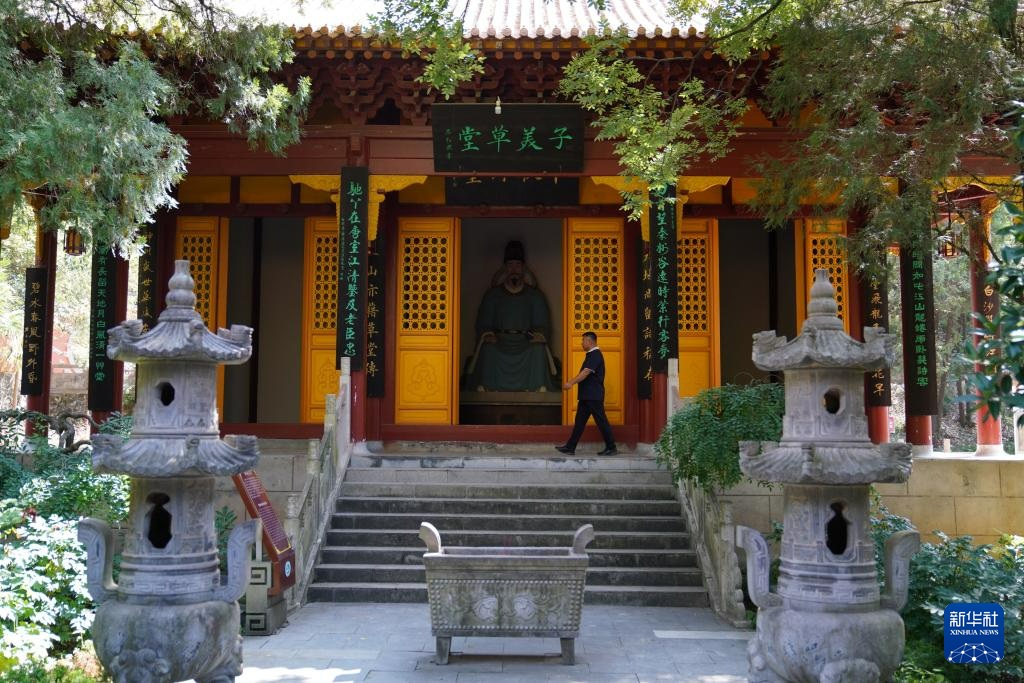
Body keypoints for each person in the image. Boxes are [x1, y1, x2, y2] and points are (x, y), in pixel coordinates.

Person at [466, 240, 555, 392]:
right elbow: (483, 323)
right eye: (510, 265)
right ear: (505, 268)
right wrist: (487, 334)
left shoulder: (535, 296)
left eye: (518, 265)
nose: (514, 269)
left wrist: (538, 334)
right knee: (488, 349)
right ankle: (487, 386)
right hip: (500, 341)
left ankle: (537, 386)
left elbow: (542, 324)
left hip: (525, 342)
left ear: (524, 268)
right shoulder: (493, 296)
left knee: (538, 350)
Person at [556, 331, 617, 455]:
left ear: (589, 341)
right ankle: (570, 447)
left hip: (593, 396)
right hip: (587, 396)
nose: (581, 343)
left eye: (583, 340)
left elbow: (585, 372)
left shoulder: (595, 355)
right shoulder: (591, 355)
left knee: (601, 422)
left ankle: (611, 447)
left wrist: (571, 383)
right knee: (579, 423)